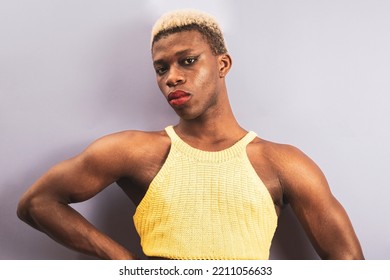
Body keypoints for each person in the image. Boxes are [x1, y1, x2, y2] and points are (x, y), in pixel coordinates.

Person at [17, 9, 364, 260]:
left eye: (187, 61)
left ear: (222, 65)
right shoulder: (135, 151)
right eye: (161, 68)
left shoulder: (281, 162)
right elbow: (37, 203)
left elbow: (349, 263)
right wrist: (121, 263)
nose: (172, 77)